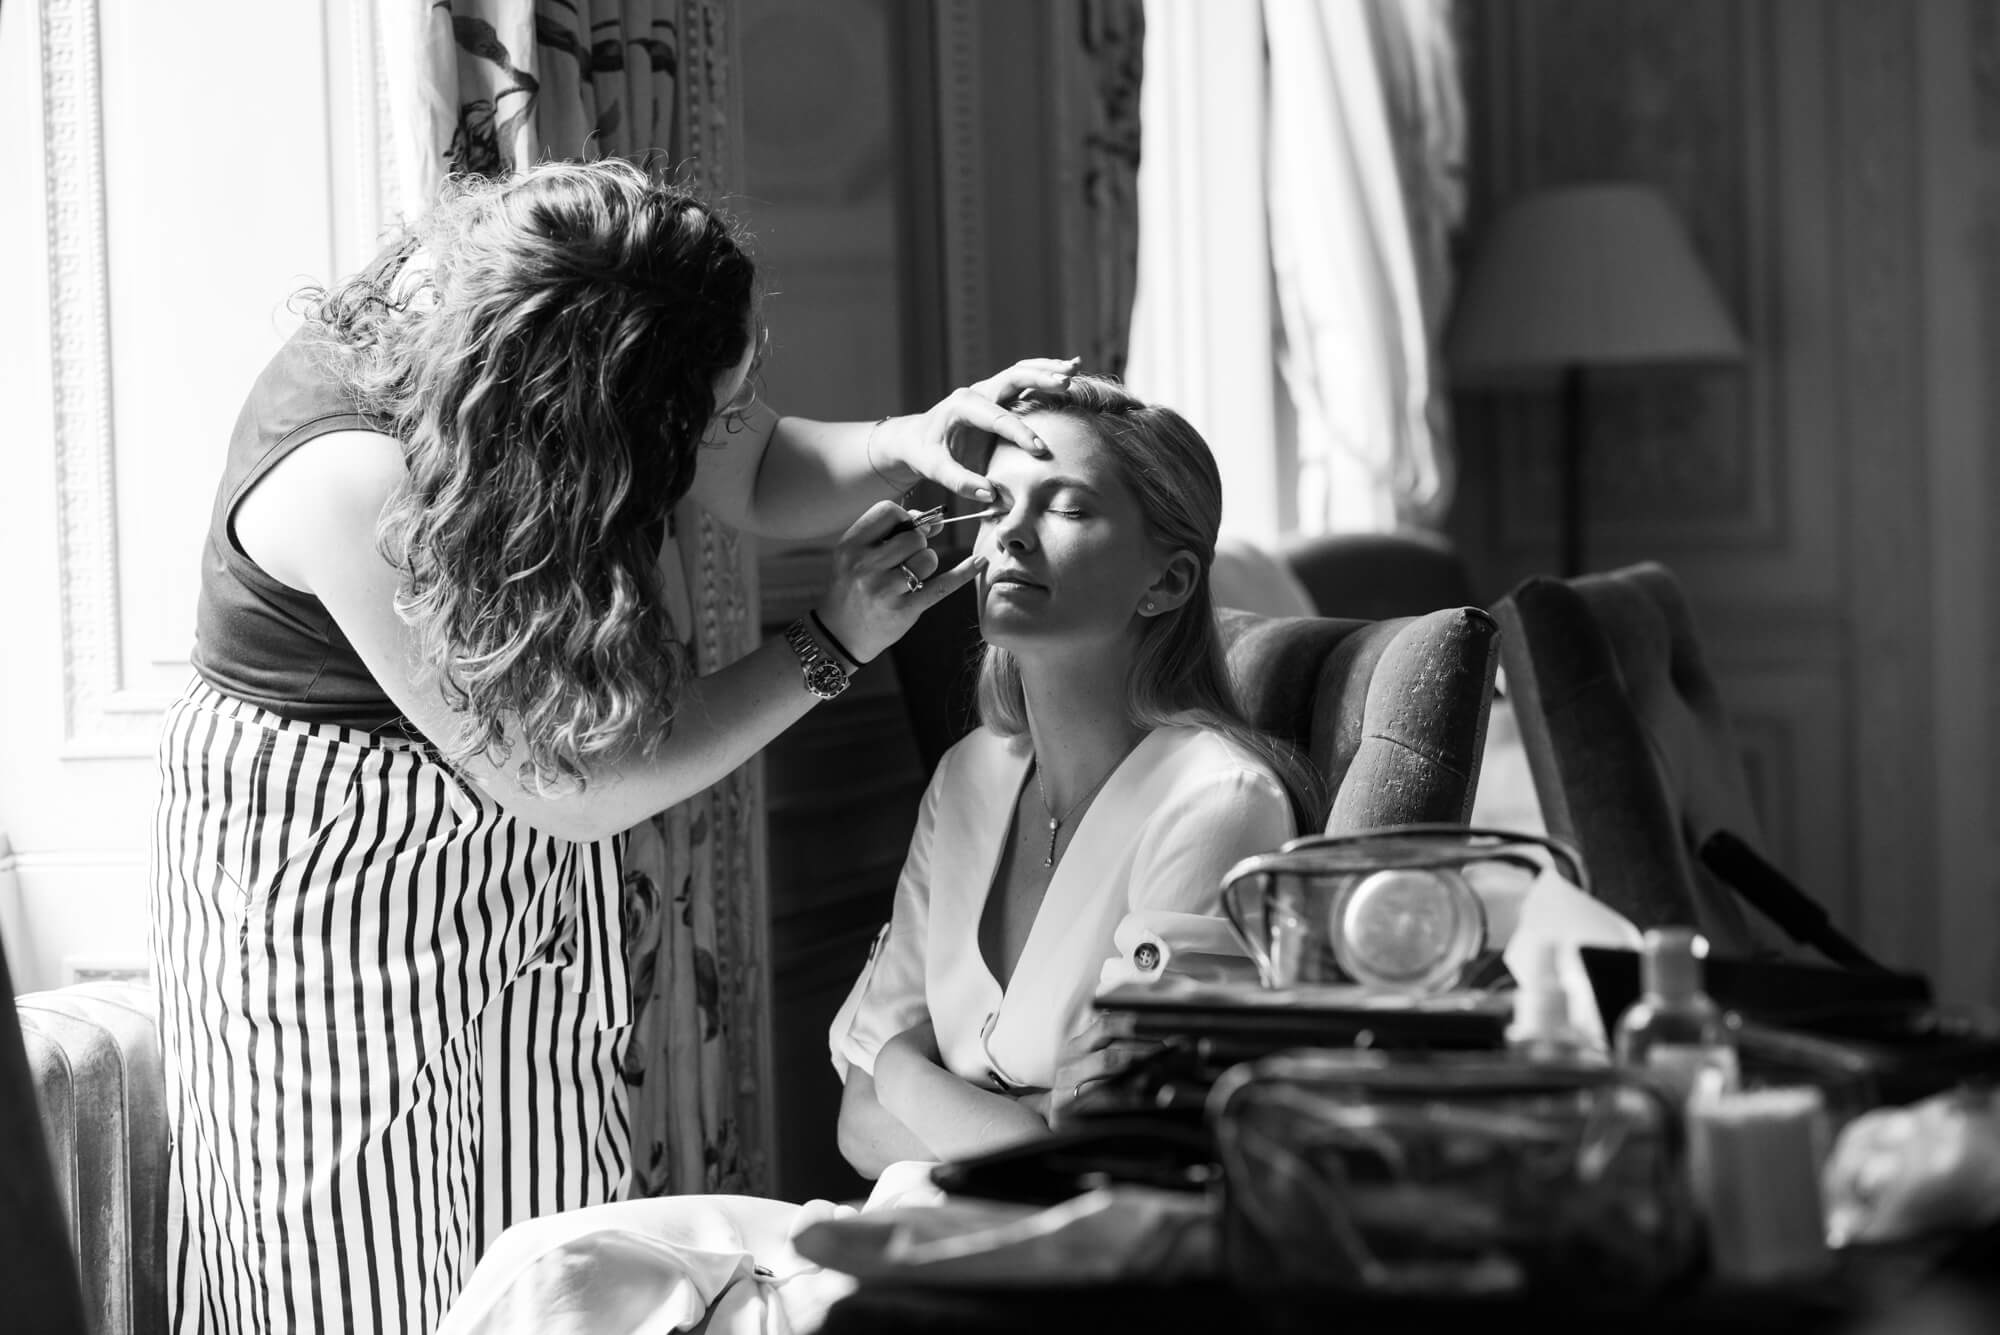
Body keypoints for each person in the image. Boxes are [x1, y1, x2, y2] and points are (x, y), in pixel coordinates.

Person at [148, 157, 1076, 1335]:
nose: (735, 425)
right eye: (712, 409)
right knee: (360, 1284)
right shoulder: (351, 483)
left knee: (558, 1270)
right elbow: (579, 788)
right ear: (597, 421)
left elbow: (751, 465)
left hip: (515, 842)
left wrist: (908, 438)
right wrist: (831, 641)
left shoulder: (568, 319)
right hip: (335, 872)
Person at [432, 374, 1316, 1334]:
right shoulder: (974, 776)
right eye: (997, 505)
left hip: (1041, 1273)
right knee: (548, 1264)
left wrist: (901, 1068)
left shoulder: (1217, 799)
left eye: (1068, 507)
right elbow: (856, 1129)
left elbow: (1108, 1163)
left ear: (1170, 580)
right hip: (896, 1219)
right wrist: (1003, 1112)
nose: (1012, 535)